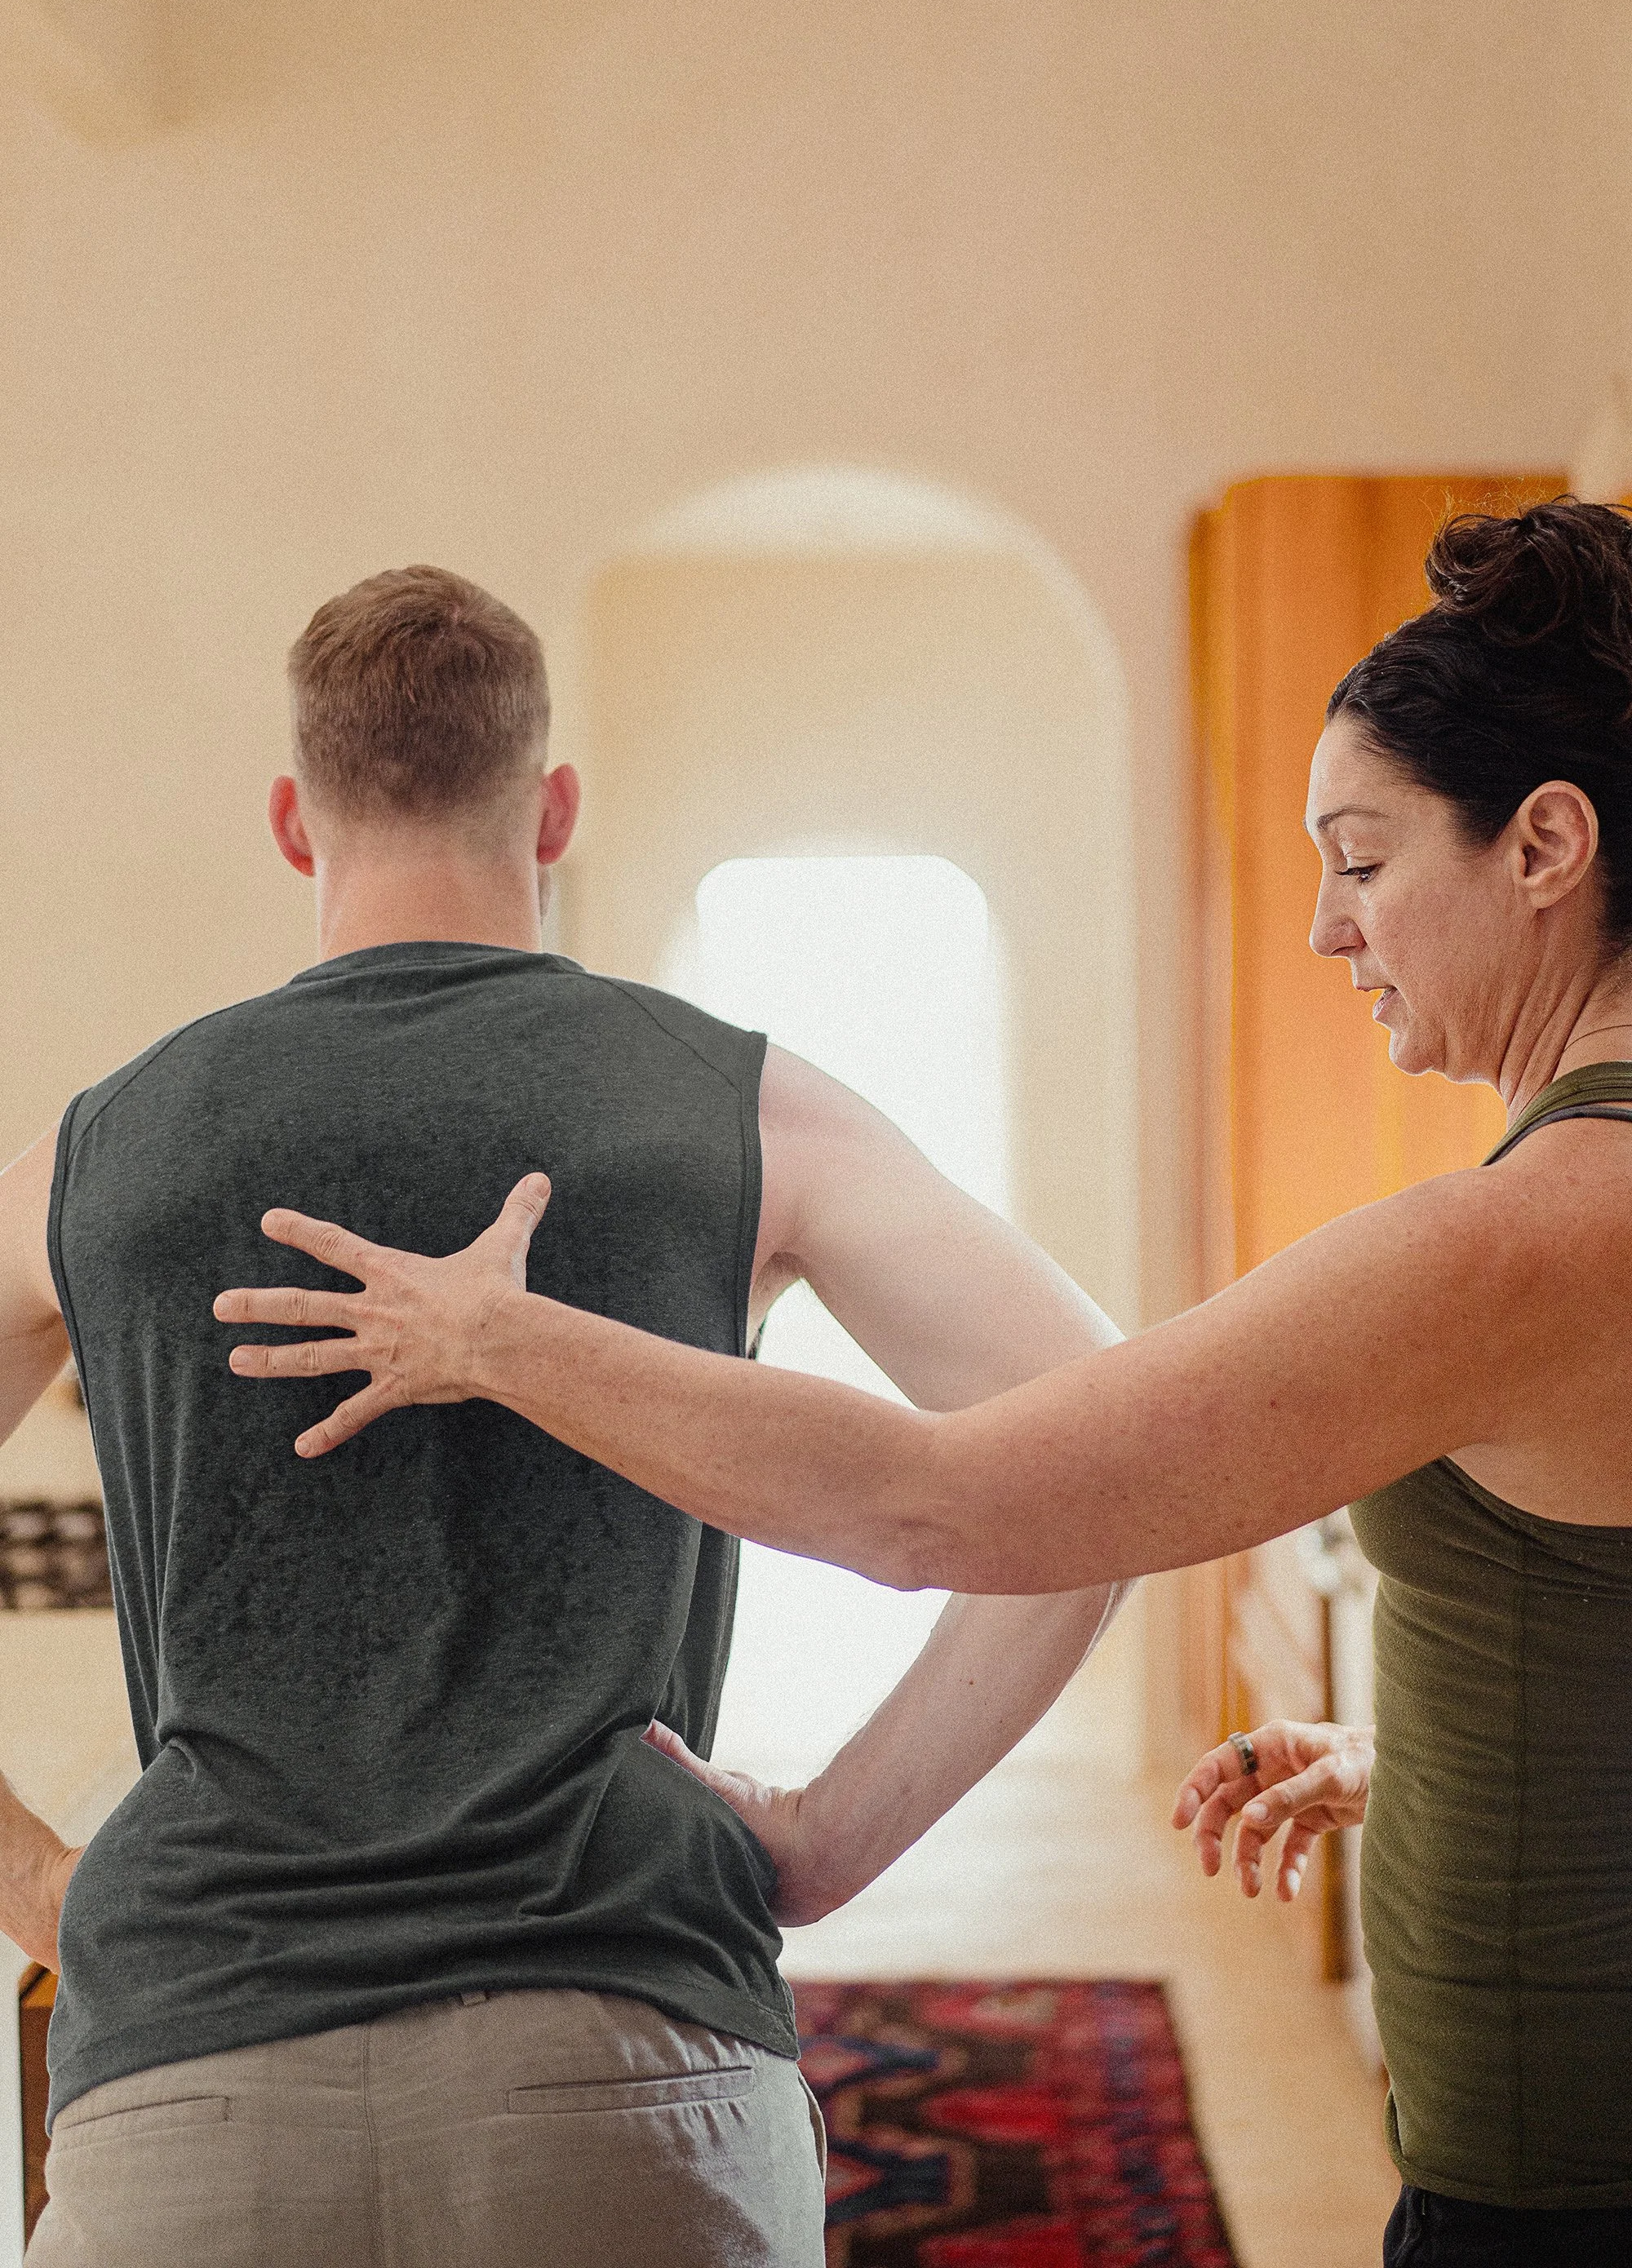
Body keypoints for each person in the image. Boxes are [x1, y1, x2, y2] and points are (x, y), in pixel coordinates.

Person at [224, 498, 1632, 2267]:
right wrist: (1425, 1754)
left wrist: (495, 1340)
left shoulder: (1510, 1247)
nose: (1324, 936)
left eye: (1358, 861)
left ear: (1546, 843)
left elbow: (945, 1502)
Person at [0, 563, 1132, 2268]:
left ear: (295, 823)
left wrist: (38, 1884)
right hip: (623, 2050)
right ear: (556, 809)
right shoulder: (734, 1102)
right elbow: (1099, 1454)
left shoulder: (105, 1147)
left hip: (187, 2080)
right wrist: (833, 1837)